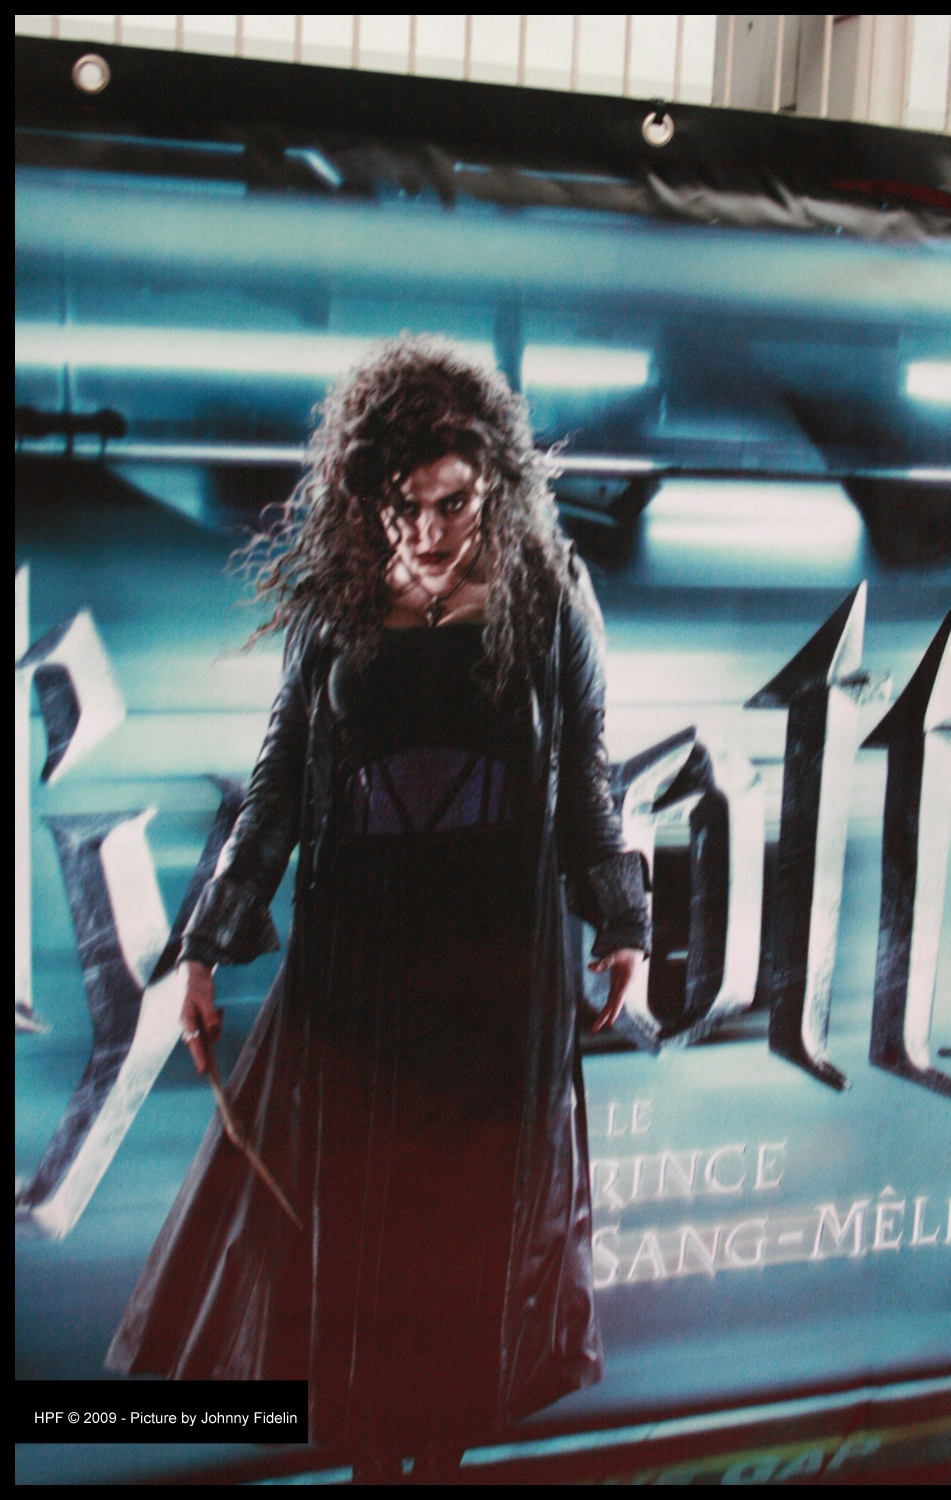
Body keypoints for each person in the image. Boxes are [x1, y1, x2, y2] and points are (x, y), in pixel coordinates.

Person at [105, 336, 651, 1480]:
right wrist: (204, 948)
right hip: (360, 978)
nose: (429, 531)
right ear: (369, 497)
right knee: (357, 1264)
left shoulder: (550, 601)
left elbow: (586, 783)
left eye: (452, 503)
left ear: (493, 486)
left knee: (462, 1269)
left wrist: (623, 927)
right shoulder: (337, 608)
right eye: (404, 505)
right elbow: (276, 794)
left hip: (495, 979)